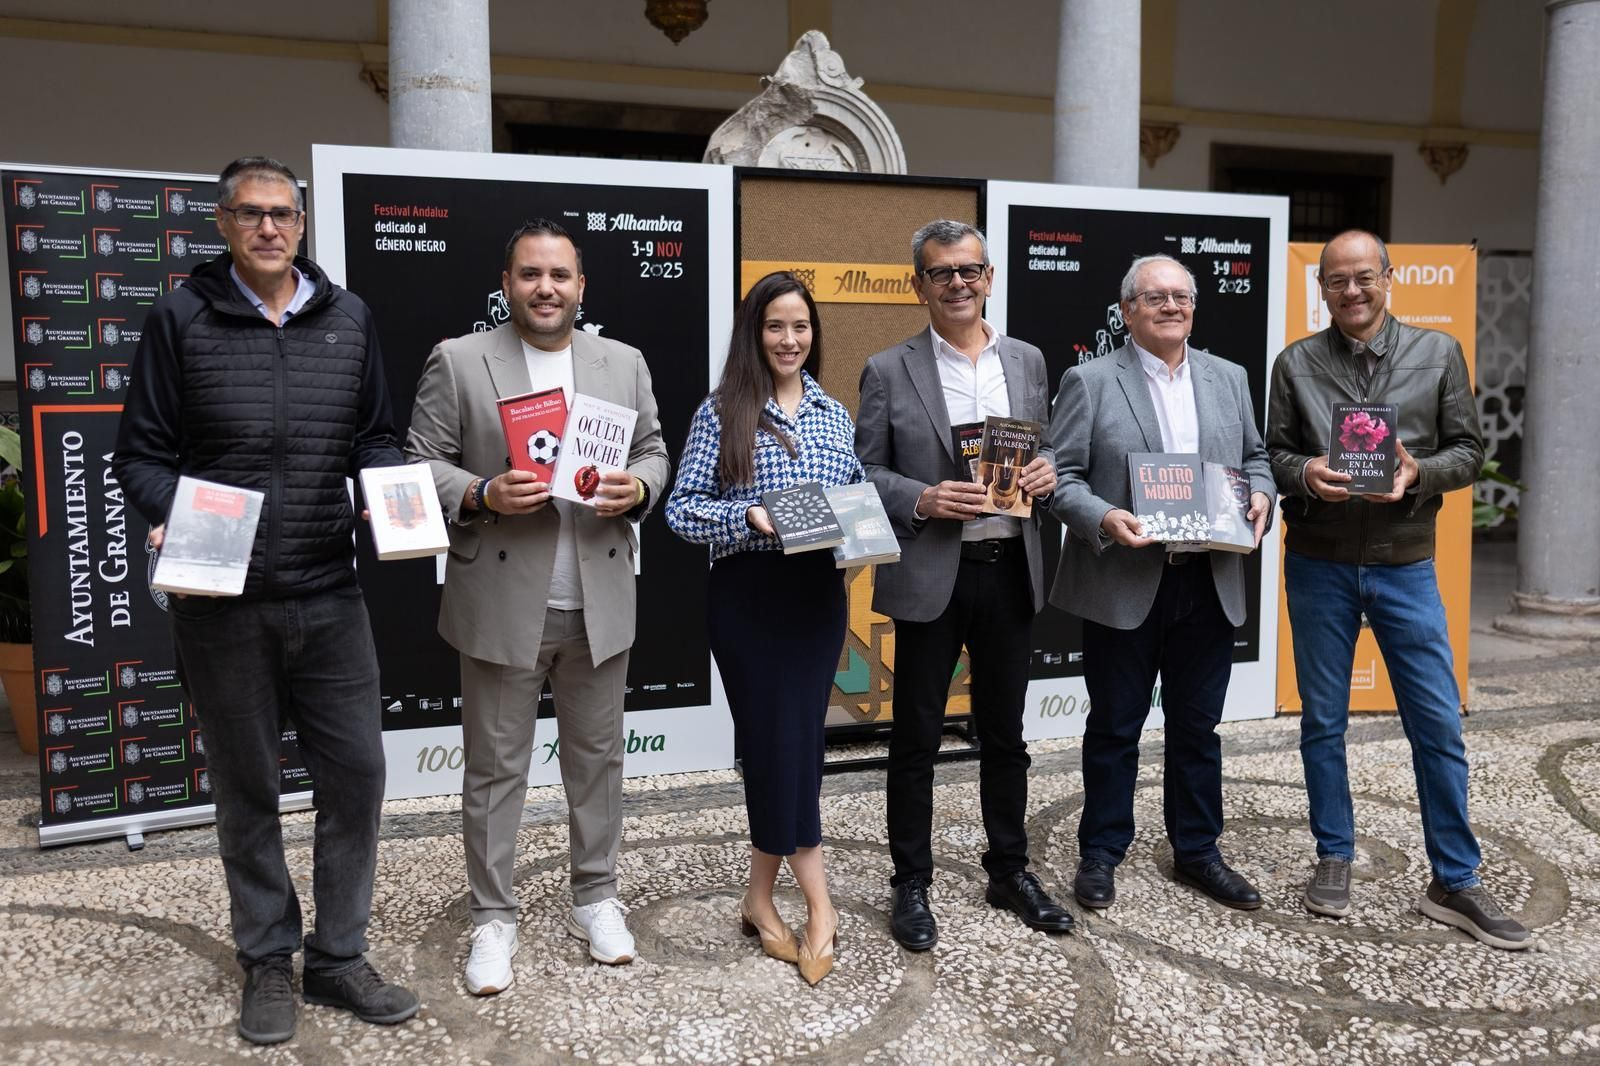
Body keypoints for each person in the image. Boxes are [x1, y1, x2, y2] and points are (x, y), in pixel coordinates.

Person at [112, 156, 418, 1045]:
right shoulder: (180, 318)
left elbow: (376, 434)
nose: (269, 229)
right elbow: (139, 456)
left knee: (357, 779)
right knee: (247, 791)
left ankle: (338, 956)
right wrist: (177, 515)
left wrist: (387, 492)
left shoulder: (349, 317)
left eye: (283, 214)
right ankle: (266, 961)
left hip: (330, 592)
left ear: (302, 221)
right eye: (251, 214)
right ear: (224, 223)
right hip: (224, 606)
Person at [406, 219, 671, 993]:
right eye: (530, 274)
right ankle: (493, 917)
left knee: (600, 763)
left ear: (582, 286)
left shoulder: (622, 362)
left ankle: (596, 897)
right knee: (494, 773)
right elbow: (419, 465)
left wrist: (640, 488)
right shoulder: (459, 361)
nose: (545, 288)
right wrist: (482, 492)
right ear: (508, 282)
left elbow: (654, 449)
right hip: (500, 602)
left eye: (559, 275)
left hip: (600, 600)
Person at [1266, 229, 1532, 949]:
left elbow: (1470, 450)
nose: (1351, 291)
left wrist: (1419, 474)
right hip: (1319, 562)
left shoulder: (1437, 354)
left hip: (1406, 562)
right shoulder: (1295, 364)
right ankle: (1334, 853)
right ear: (1321, 288)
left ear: (1389, 279)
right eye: (1337, 281)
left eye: (1364, 278)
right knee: (1324, 720)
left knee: (1437, 724)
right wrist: (1303, 474)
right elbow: (1275, 452)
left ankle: (1454, 876)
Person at [855, 219, 1073, 951]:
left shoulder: (1028, 360)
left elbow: (1042, 457)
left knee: (1006, 736)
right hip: (932, 573)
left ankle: (1009, 868)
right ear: (917, 283)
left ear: (989, 277)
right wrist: (922, 498)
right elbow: (864, 472)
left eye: (970, 270)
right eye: (942, 272)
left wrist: (1043, 477)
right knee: (915, 737)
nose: (958, 283)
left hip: (1011, 568)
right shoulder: (889, 369)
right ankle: (910, 881)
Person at [1047, 254, 1276, 912]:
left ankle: (1198, 851)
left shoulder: (1228, 377)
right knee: (1115, 726)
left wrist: (1261, 496)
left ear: (1194, 308)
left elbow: (1256, 458)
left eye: (1181, 296)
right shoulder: (1090, 381)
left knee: (1198, 730)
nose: (1171, 306)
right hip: (1125, 578)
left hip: (1209, 577)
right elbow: (1059, 478)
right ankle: (1101, 852)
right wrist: (1105, 516)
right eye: (1156, 297)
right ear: (1127, 311)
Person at [664, 271, 860, 985]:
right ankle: (821, 903)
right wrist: (748, 516)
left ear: (814, 334)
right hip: (748, 597)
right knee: (782, 748)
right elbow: (681, 510)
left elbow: (852, 500)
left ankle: (756, 898)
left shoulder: (835, 415)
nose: (789, 339)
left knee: (796, 747)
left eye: (801, 326)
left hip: (818, 599)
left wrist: (863, 533)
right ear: (755, 332)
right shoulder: (720, 413)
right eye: (776, 326)